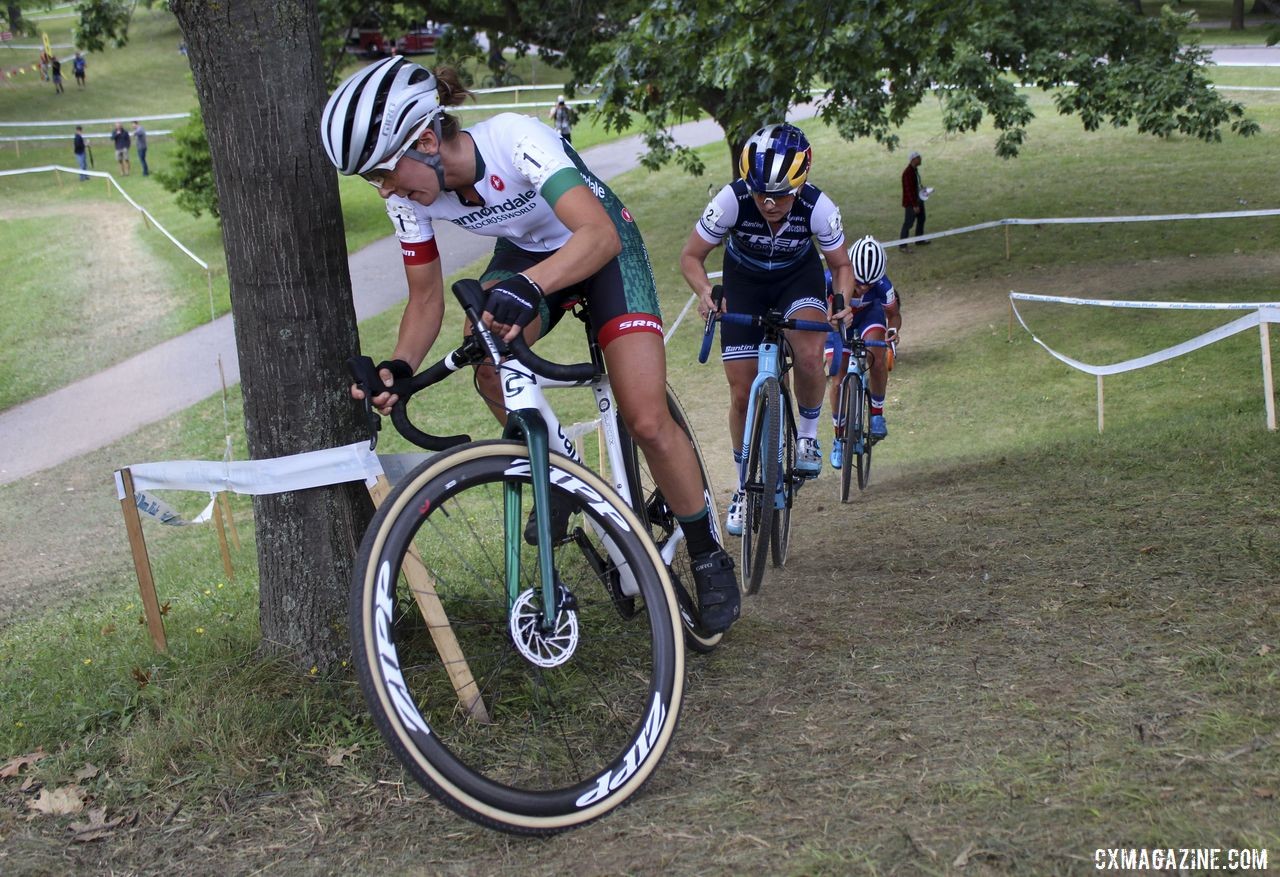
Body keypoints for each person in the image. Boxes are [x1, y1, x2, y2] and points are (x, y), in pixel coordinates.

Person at [321, 56, 741, 633]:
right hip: (529, 259)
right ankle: (560, 467)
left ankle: (707, 551)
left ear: (424, 138)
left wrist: (531, 284)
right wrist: (399, 366)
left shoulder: (515, 138)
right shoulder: (407, 199)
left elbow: (596, 235)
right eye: (375, 180)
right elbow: (424, 298)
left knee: (644, 417)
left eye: (385, 173)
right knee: (486, 356)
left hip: (601, 246)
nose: (386, 188)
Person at [679, 123, 852, 536]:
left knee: (810, 353)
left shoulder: (818, 208)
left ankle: (808, 435)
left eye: (780, 196)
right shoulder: (730, 201)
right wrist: (705, 292)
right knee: (741, 392)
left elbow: (841, 265)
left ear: (799, 184)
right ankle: (742, 486)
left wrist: (842, 304)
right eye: (760, 194)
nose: (769, 204)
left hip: (798, 279)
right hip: (745, 283)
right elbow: (691, 256)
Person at [826, 236, 901, 467]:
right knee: (837, 378)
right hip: (837, 320)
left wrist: (892, 331)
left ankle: (877, 414)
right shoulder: (830, 279)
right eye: (858, 282)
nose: (863, 288)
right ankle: (839, 437)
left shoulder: (884, 287)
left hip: (869, 317)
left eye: (870, 285)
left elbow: (893, 316)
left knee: (877, 358)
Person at [899, 150, 927, 250]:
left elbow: (916, 186)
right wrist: (914, 205)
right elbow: (908, 191)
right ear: (913, 159)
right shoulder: (907, 173)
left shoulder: (914, 171)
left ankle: (919, 240)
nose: (920, 159)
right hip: (911, 203)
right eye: (918, 158)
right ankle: (902, 245)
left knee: (921, 219)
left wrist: (923, 190)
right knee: (908, 223)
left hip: (918, 200)